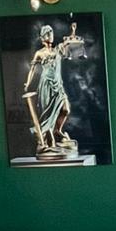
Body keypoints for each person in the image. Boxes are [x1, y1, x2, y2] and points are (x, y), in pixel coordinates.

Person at [22, 21, 84, 158]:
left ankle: (58, 130)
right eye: (48, 34)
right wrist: (27, 83)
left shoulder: (58, 49)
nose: (50, 35)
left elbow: (69, 41)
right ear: (42, 37)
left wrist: (73, 30)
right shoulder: (39, 53)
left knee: (65, 109)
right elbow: (32, 69)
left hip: (58, 85)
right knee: (48, 114)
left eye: (51, 33)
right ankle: (48, 142)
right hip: (46, 85)